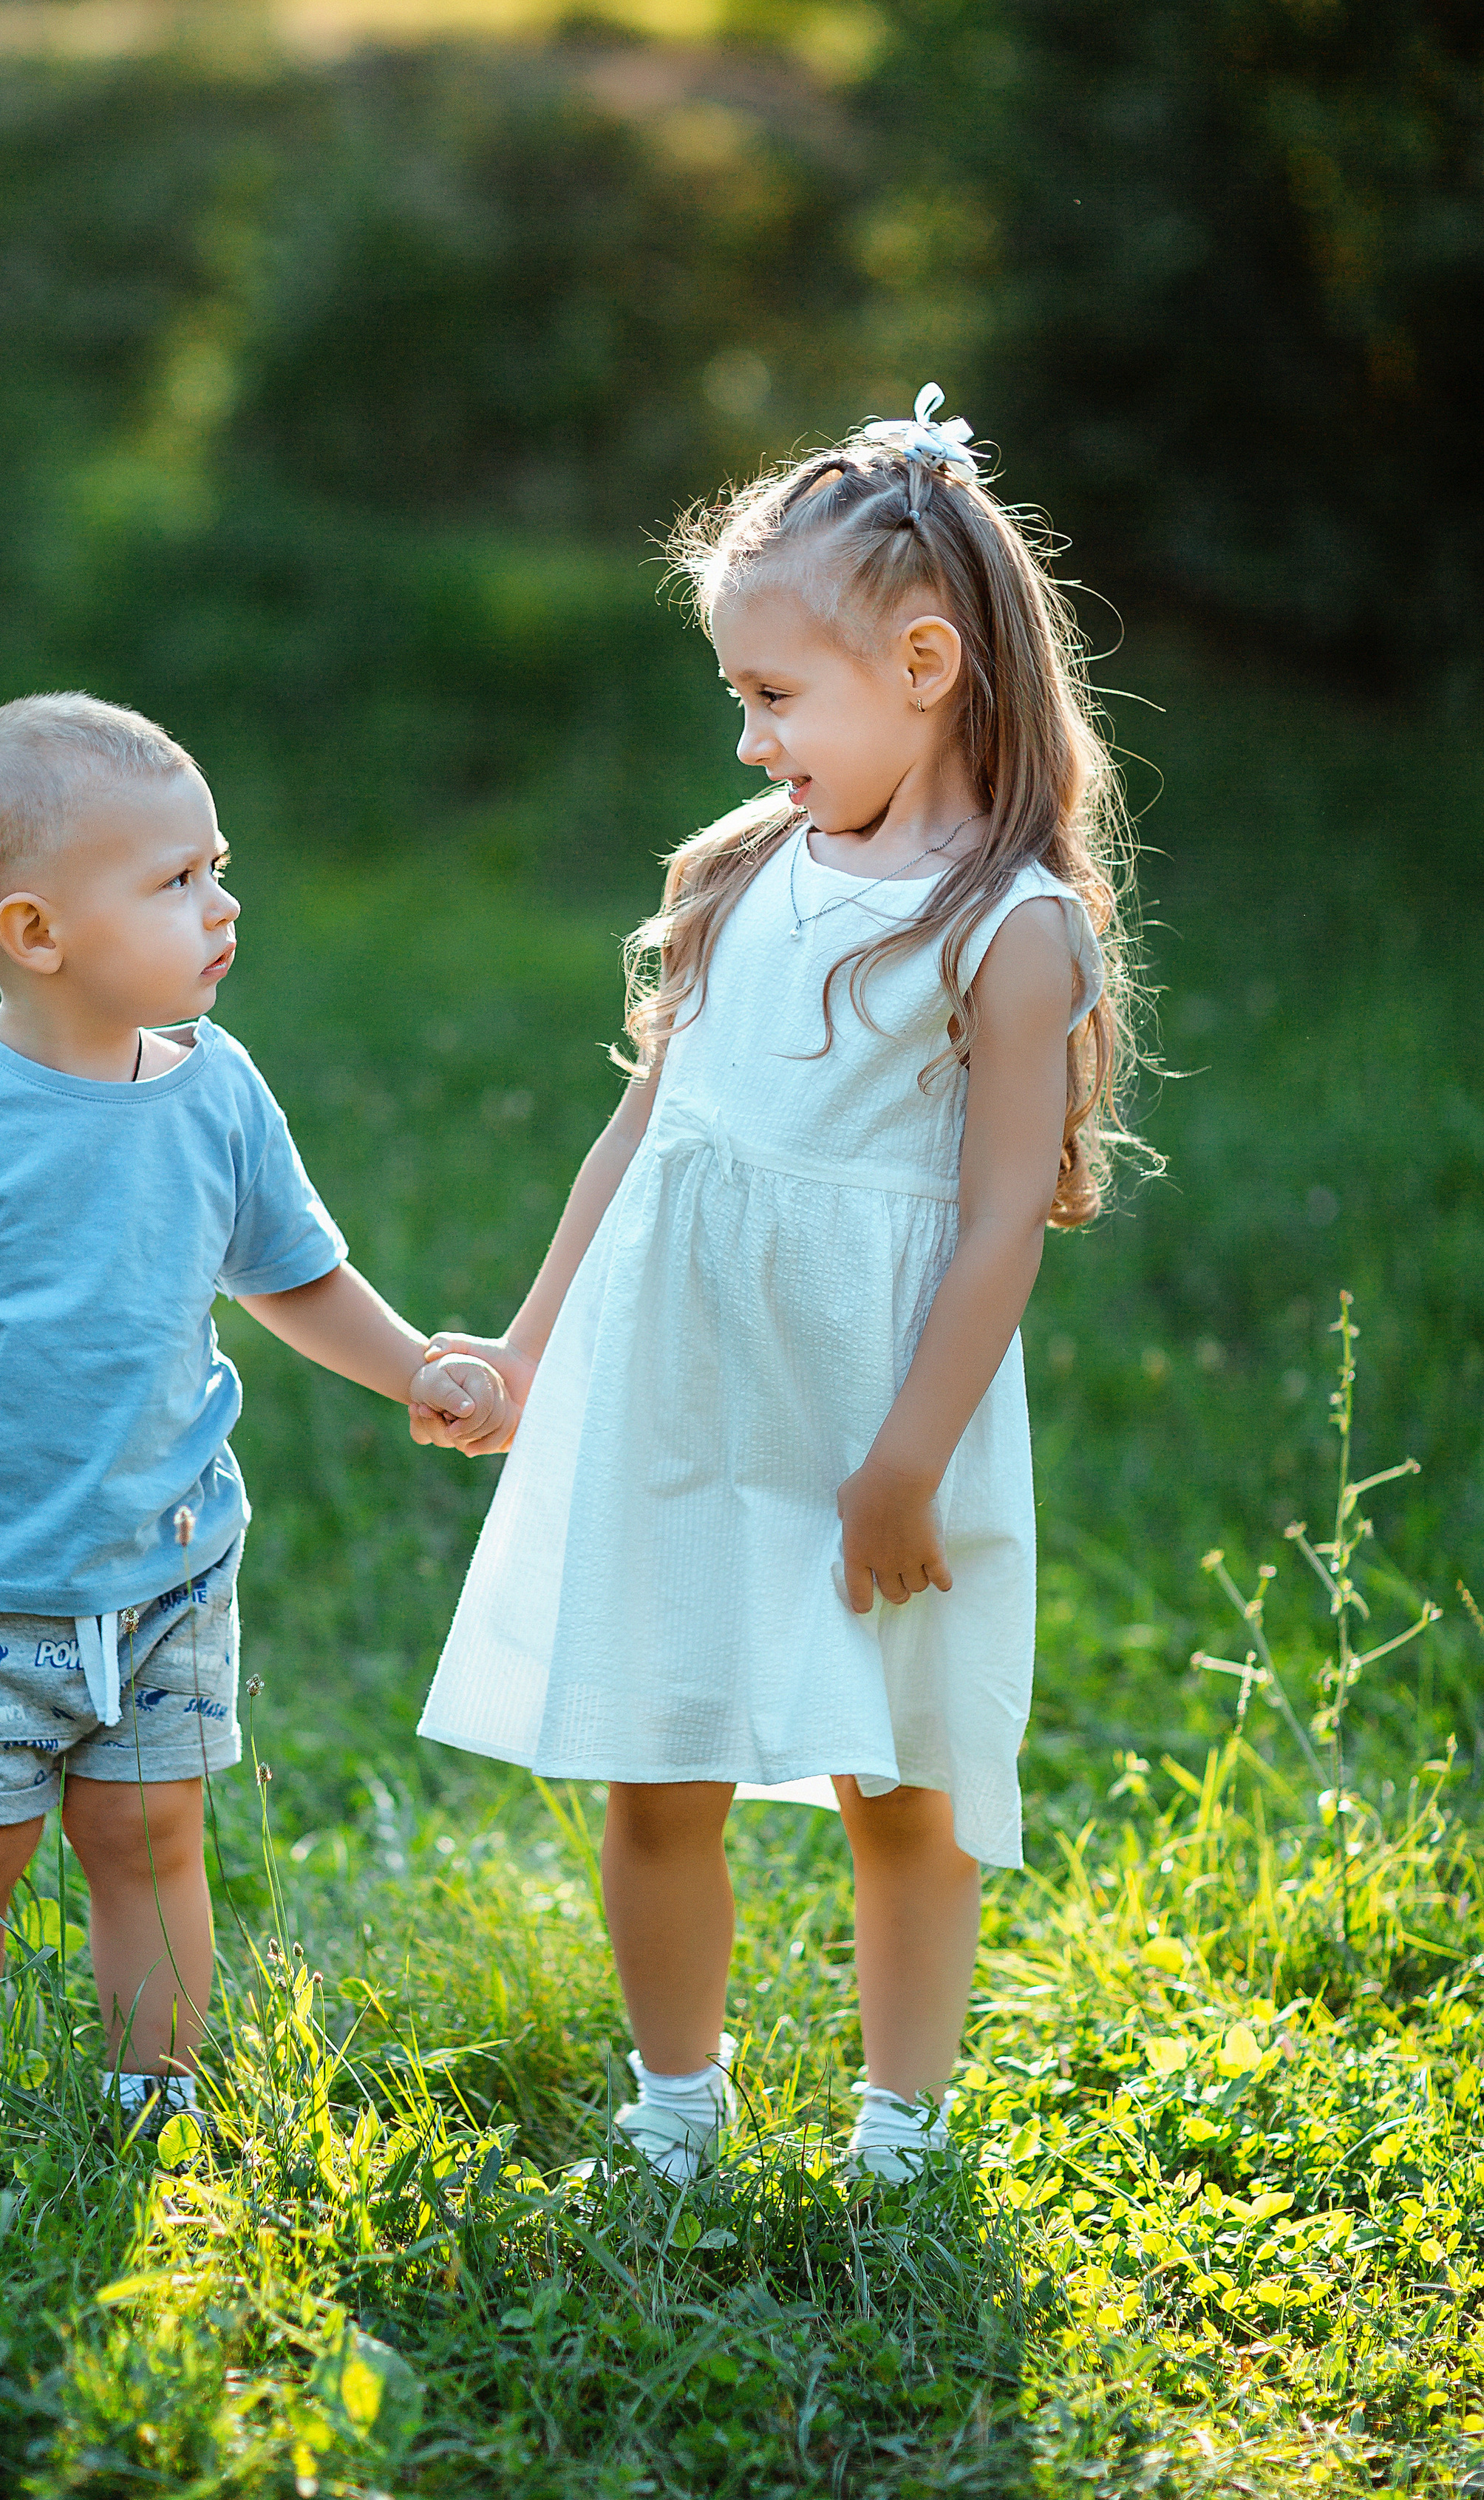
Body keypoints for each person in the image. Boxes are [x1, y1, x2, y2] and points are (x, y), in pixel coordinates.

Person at [411, 390, 1148, 2185]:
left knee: (902, 1792)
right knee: (649, 1762)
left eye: (770, 697)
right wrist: (522, 1353)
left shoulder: (1006, 926)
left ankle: (899, 2133)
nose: (745, 743)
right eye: (734, 699)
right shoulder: (743, 880)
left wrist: (901, 1463)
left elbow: (992, 1230)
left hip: (873, 1412)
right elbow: (633, 1147)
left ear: (919, 663)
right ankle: (674, 2112)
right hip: (679, 1394)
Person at [0, 692, 509, 2141]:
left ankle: (151, 2091)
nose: (221, 902)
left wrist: (410, 1369)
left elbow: (294, 1277)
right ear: (37, 934)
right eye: (175, 881)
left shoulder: (219, 1094)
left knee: (148, 1833)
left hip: (170, 1565)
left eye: (215, 865)